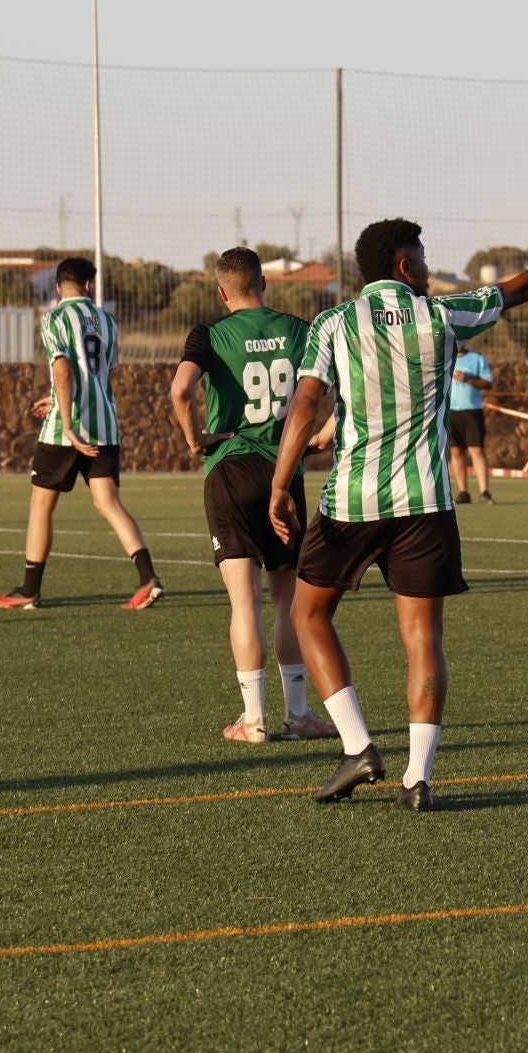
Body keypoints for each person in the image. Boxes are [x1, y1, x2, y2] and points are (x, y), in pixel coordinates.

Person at [269, 218, 528, 811]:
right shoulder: (441, 315)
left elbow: (306, 402)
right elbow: (521, 289)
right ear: (403, 266)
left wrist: (279, 481)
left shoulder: (333, 325)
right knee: (423, 639)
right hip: (426, 502)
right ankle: (418, 779)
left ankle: (358, 745)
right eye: (420, 255)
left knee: (307, 613)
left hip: (353, 501)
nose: (425, 264)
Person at [169, 247, 339, 744]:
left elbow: (181, 391)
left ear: (222, 292)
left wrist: (193, 438)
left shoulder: (209, 334)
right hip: (284, 472)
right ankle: (300, 714)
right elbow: (344, 385)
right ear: (264, 283)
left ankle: (254, 720)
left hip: (230, 469)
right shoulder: (301, 329)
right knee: (287, 599)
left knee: (244, 603)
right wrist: (326, 430)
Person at [0, 257, 163, 611]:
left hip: (65, 432)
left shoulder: (53, 318)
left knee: (41, 505)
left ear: (58, 287)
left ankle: (29, 589)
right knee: (109, 504)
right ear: (89, 285)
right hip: (104, 425)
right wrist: (54, 395)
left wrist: (66, 423)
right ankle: (149, 578)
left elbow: (65, 369)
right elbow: (97, 375)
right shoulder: (107, 321)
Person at [446, 346, 495, 503]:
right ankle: (463, 493)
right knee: (455, 452)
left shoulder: (477, 358)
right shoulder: (444, 357)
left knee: (477, 451)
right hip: (450, 412)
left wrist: (467, 379)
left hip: (472, 411)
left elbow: (488, 383)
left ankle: (484, 492)